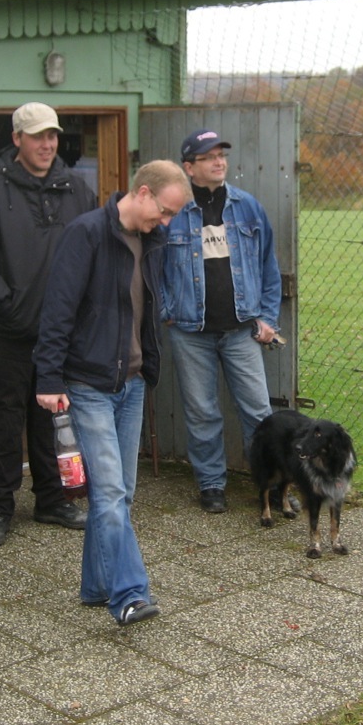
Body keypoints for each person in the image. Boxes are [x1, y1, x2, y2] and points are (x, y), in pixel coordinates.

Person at [34, 160, 193, 626]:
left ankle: (95, 585)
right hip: (89, 385)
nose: (166, 223)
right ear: (142, 193)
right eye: (164, 212)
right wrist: (49, 378)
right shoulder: (86, 234)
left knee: (119, 496)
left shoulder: (151, 241)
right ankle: (129, 594)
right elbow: (57, 309)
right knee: (108, 492)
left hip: (133, 383)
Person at [0, 102, 98, 547]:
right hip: (7, 331)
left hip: (59, 334)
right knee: (4, 420)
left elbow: (96, 252)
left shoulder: (77, 190)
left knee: (53, 421)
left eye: (52, 135)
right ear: (17, 139)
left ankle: (52, 500)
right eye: (37, 136)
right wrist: (7, 304)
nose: (47, 144)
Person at [160, 129, 283, 513]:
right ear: (189, 167)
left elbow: (268, 267)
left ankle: (270, 487)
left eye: (221, 155)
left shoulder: (248, 207)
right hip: (190, 332)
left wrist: (267, 317)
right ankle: (211, 484)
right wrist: (167, 310)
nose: (219, 162)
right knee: (202, 413)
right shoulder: (174, 212)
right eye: (209, 157)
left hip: (241, 330)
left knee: (259, 413)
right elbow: (153, 267)